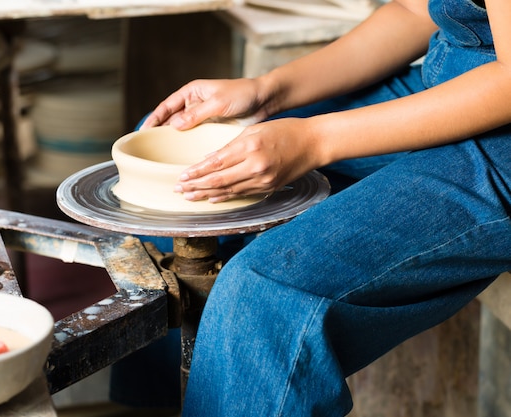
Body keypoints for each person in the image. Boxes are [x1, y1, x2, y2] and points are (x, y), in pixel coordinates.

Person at [135, 0, 511, 414]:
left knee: (265, 292)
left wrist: (313, 140)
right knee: (171, 173)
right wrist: (268, 92)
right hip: (454, 76)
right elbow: (412, 9)